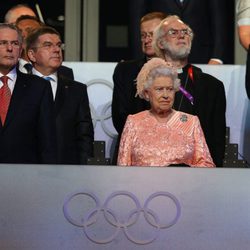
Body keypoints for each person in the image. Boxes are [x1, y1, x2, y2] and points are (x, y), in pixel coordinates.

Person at [152, 15, 226, 167]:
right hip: (152, 168)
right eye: (173, 32)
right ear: (160, 43)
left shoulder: (212, 87)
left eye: (185, 32)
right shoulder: (146, 82)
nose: (181, 35)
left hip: (196, 171)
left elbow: (216, 143)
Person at [117, 57, 215, 167]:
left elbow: (207, 165)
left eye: (169, 89)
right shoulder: (134, 122)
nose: (165, 95)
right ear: (147, 94)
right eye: (159, 89)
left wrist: (184, 172)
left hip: (182, 183)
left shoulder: (191, 122)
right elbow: (123, 166)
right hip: (143, 183)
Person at [26, 26, 94, 164]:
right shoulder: (20, 87)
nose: (57, 50)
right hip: (26, 170)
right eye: (48, 45)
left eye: (58, 45)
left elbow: (84, 137)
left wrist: (83, 171)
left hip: (66, 171)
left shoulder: (77, 90)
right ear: (32, 55)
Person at [112, 12, 167, 164]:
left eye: (152, 34)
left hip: (172, 154)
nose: (147, 40)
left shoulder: (179, 71)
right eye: (143, 35)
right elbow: (120, 117)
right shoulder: (125, 70)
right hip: (133, 152)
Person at [0, 23, 57, 163]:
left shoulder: (39, 87)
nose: (9, 48)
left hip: (25, 176)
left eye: (15, 43)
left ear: (21, 50)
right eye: (3, 43)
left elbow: (47, 142)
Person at [129, 0, 234, 64]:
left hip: (203, 57)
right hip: (161, 57)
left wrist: (217, 57)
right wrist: (140, 59)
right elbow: (137, 20)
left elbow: (219, 20)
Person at [15, 14, 74, 79]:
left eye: (29, 31)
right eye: (19, 31)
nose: (23, 35)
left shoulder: (64, 72)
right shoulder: (7, 69)